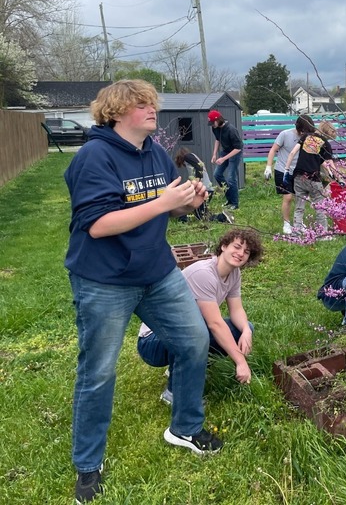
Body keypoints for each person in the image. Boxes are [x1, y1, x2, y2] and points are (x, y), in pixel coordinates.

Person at [64, 80, 221, 503]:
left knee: (193, 341)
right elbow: (97, 225)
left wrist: (190, 200)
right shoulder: (93, 157)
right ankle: (88, 464)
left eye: (153, 103)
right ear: (116, 112)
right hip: (104, 281)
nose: (153, 110)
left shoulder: (153, 151)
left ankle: (184, 427)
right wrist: (163, 202)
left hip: (157, 272)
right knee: (98, 373)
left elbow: (170, 203)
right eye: (142, 104)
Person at [138, 228, 264, 400]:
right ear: (224, 246)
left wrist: (246, 331)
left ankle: (190, 368)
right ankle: (174, 393)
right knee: (196, 330)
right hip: (152, 341)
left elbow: (236, 310)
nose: (240, 253)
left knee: (242, 327)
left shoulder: (234, 273)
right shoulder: (204, 273)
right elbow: (215, 324)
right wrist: (241, 362)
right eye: (237, 247)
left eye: (247, 252)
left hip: (183, 331)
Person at [264, 115, 315, 234]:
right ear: (298, 128)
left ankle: (298, 221)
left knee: (301, 197)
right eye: (302, 131)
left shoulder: (309, 138)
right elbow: (273, 150)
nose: (303, 134)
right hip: (283, 169)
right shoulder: (285, 134)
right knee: (288, 197)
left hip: (298, 171)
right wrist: (268, 167)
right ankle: (286, 223)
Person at [284, 120, 337, 234]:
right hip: (313, 179)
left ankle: (296, 233)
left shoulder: (306, 137)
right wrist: (338, 176)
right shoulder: (325, 143)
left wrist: (286, 170)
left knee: (299, 207)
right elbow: (329, 162)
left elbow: (293, 152)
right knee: (320, 207)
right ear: (327, 133)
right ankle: (322, 234)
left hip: (298, 176)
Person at [174, 148, 233, 224]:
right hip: (207, 189)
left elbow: (199, 167)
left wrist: (197, 180)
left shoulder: (187, 156)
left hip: (204, 190)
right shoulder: (193, 157)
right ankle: (183, 219)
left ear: (180, 157)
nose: (183, 165)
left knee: (200, 215)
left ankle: (223, 217)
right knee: (201, 214)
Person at [208, 110, 243, 210]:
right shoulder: (215, 128)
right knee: (217, 174)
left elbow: (238, 148)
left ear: (218, 120)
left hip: (235, 152)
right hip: (225, 151)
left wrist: (223, 158)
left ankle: (235, 203)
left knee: (231, 178)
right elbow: (217, 140)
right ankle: (229, 199)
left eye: (212, 123)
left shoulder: (231, 130)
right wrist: (214, 154)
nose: (212, 125)